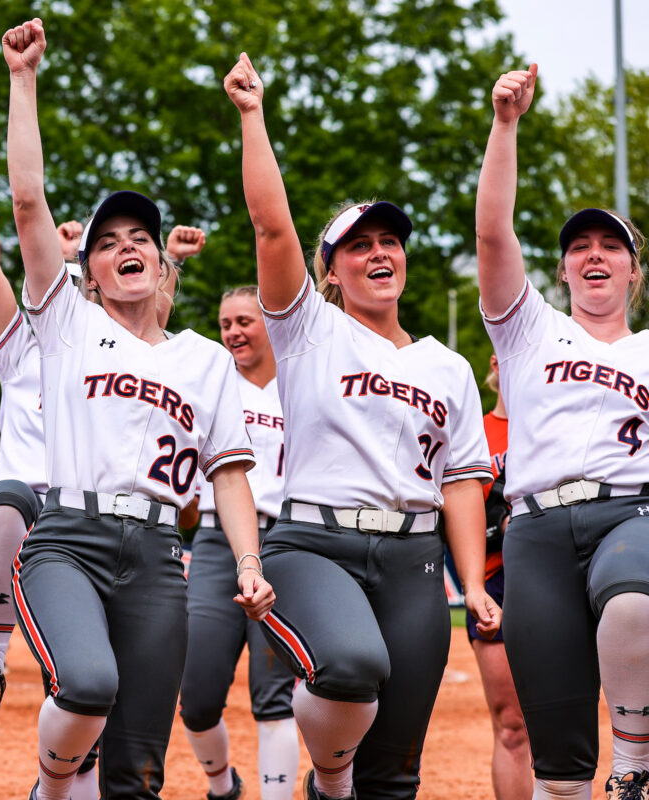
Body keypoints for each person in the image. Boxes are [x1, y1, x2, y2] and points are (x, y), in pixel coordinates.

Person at [4, 20, 272, 800]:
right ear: (86, 270)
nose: (127, 245)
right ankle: (52, 789)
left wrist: (247, 564)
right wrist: (24, 81)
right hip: (69, 539)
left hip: (161, 559)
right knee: (86, 683)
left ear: (160, 261)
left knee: (139, 773)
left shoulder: (205, 359)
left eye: (141, 237)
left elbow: (228, 476)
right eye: (106, 239)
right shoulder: (68, 324)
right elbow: (27, 201)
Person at [224, 53, 498, 800]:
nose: (380, 252)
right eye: (358, 245)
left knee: (398, 775)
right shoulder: (307, 329)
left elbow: (464, 481)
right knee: (349, 666)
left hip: (415, 564)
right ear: (332, 271)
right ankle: (330, 778)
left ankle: (347, 784)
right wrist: (253, 116)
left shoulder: (448, 366)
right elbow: (271, 228)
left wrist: (470, 582)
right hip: (316, 544)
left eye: (389, 242)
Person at [0, 118, 201, 741]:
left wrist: (178, 264)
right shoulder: (33, 349)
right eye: (103, 252)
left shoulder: (131, 362)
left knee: (98, 703)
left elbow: (158, 322)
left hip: (108, 519)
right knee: (4, 499)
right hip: (36, 508)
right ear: (82, 277)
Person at [476, 63, 649, 800]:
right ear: (562, 270)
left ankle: (636, 761)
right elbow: (491, 233)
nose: (595, 255)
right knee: (560, 763)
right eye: (581, 247)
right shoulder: (528, 332)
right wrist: (505, 126)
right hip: (538, 531)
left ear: (635, 273)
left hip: (631, 509)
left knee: (635, 601)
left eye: (611, 247)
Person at [180, 284, 298, 800]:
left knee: (273, 696)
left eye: (244, 321)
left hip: (286, 542)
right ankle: (221, 783)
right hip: (213, 544)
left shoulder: (300, 385)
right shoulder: (213, 382)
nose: (232, 332)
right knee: (198, 695)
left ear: (270, 324)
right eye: (226, 323)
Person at [471, 355, 532, 800]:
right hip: (498, 582)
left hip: (560, 574)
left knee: (565, 722)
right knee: (512, 725)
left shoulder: (555, 423)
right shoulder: (474, 430)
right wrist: (499, 526)